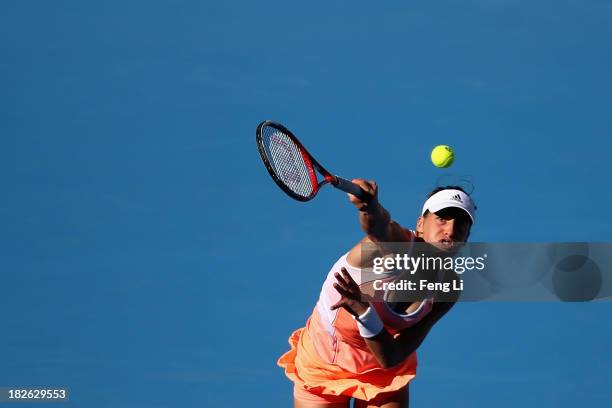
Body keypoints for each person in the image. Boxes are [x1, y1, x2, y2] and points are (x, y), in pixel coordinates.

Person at [278, 179, 477, 408]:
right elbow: (379, 227)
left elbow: (391, 357)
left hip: (383, 371)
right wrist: (368, 207)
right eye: (442, 218)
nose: (451, 230)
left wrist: (364, 313)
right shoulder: (395, 244)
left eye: (461, 224)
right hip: (323, 363)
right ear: (420, 224)